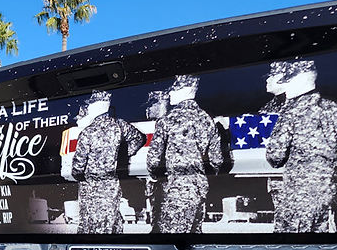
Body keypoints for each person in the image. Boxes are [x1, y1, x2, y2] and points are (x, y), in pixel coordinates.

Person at [264, 60, 337, 233]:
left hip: (298, 192)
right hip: (327, 187)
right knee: (318, 239)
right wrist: (335, 153)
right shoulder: (336, 109)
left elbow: (275, 157)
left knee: (289, 247)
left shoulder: (291, 112)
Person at [146, 75, 224, 233]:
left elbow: (153, 160)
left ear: (184, 91)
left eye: (173, 90)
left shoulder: (168, 119)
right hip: (199, 188)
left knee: (170, 240)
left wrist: (155, 175)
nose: (170, 94)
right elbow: (217, 160)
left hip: (176, 189)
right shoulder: (207, 119)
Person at [71, 91, 146, 234]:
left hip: (90, 188)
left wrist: (79, 175)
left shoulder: (88, 132)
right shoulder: (120, 125)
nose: (88, 109)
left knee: (89, 225)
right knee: (111, 221)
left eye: (90, 105)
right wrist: (123, 155)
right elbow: (139, 139)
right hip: (112, 184)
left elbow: (78, 166)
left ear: (96, 107)